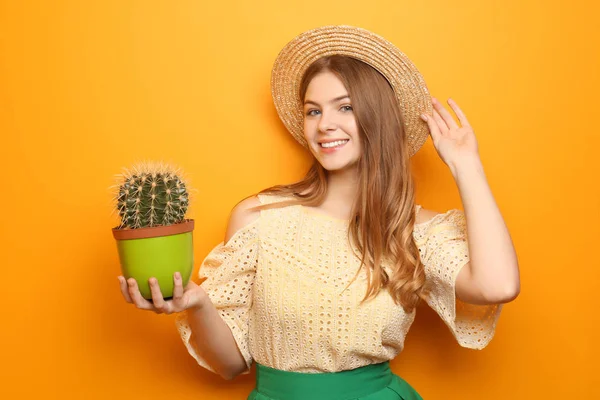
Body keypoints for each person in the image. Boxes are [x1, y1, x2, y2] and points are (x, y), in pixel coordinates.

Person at [118, 25, 520, 399]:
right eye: (314, 111)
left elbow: (496, 286)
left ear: (376, 118)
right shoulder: (260, 218)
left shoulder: (411, 229)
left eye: (344, 108)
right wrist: (199, 303)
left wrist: (466, 165)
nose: (325, 124)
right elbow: (230, 366)